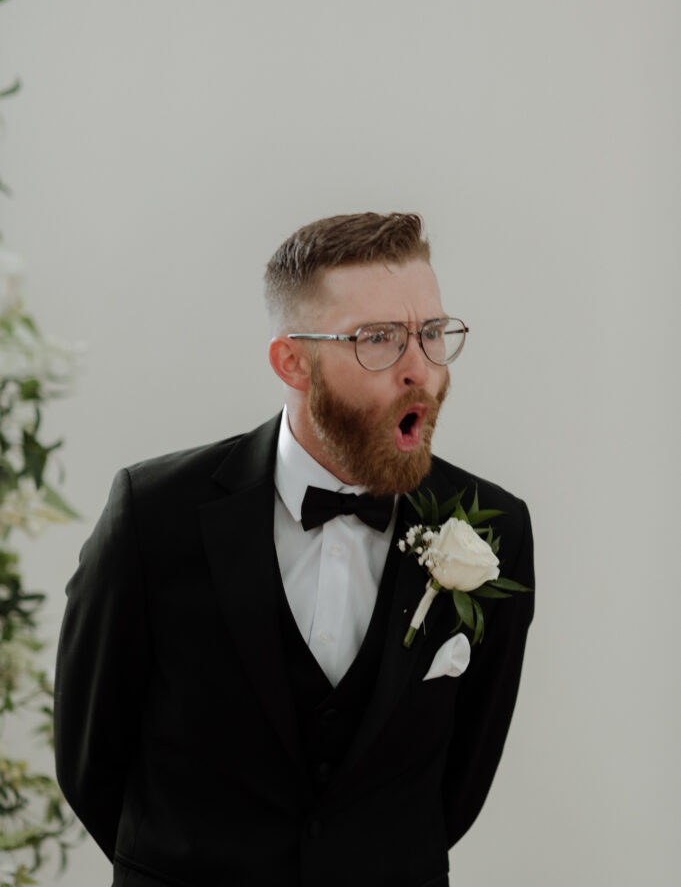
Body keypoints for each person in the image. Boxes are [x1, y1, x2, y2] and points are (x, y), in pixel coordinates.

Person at [54, 212, 534, 887]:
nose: (418, 371)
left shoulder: (495, 529)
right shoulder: (152, 515)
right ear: (292, 361)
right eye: (379, 339)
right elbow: (88, 759)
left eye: (430, 334)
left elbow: (460, 777)